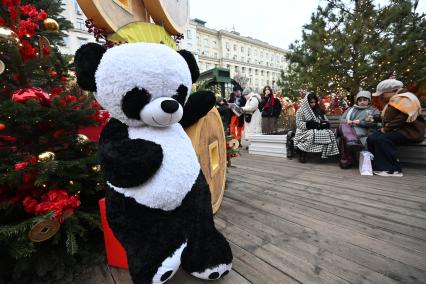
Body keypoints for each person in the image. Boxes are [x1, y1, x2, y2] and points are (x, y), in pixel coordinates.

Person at [367, 79, 425, 177]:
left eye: (382, 93)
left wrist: (385, 129)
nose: (381, 96)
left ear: (390, 91)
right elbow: (389, 116)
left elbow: (402, 118)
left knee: (383, 139)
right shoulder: (396, 99)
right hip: (398, 130)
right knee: (372, 138)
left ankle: (393, 169)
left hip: (410, 132)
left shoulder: (406, 98)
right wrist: (374, 118)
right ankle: (377, 165)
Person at [337, 91, 381, 169]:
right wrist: (347, 121)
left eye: (365, 100)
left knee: (343, 138)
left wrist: (360, 122)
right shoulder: (351, 109)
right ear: (357, 101)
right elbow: (341, 119)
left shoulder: (373, 110)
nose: (362, 102)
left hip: (360, 131)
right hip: (347, 129)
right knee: (344, 126)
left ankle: (346, 161)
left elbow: (375, 124)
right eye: (360, 100)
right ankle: (351, 142)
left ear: (369, 100)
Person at [294, 92, 339, 163]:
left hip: (317, 129)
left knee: (329, 133)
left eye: (315, 102)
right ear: (307, 102)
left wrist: (323, 124)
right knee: (312, 135)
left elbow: (325, 120)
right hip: (304, 131)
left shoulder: (318, 109)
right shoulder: (300, 111)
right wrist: (309, 124)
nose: (313, 104)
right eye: (311, 102)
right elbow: (299, 124)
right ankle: (301, 150)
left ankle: (324, 152)